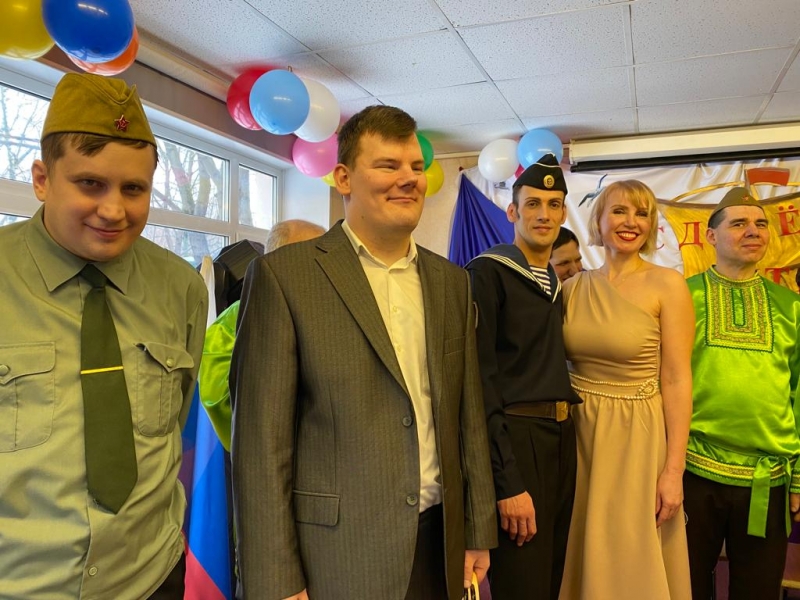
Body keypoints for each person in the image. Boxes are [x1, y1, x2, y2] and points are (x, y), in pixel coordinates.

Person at [230, 105, 497, 600]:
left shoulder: (452, 282)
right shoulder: (284, 278)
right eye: (388, 165)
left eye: (415, 166)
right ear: (343, 178)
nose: (408, 179)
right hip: (336, 555)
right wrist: (275, 581)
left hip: (438, 544)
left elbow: (468, 413)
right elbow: (261, 446)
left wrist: (477, 526)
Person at [0, 73, 207, 599]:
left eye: (133, 189)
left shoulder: (181, 288)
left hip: (150, 576)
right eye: (90, 184)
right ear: (42, 179)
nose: (114, 210)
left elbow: (174, 423)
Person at [559, 180, 694, 599]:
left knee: (630, 550)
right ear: (598, 220)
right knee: (580, 545)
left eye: (642, 214)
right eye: (619, 211)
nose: (630, 222)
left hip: (638, 436)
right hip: (578, 435)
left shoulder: (668, 285)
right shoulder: (572, 289)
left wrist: (673, 471)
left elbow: (677, 379)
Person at [467, 154, 580, 600]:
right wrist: (507, 482)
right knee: (524, 583)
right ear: (512, 212)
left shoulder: (553, 282)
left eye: (553, 205)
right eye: (532, 204)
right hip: (518, 439)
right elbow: (479, 383)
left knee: (551, 579)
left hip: (561, 438)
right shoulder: (488, 273)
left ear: (564, 214)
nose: (544, 214)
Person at [683, 187, 800, 600]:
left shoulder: (791, 306)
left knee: (758, 591)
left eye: (761, 224)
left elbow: (799, 392)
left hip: (768, 477)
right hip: (691, 470)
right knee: (686, 587)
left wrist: (799, 475)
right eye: (739, 223)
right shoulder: (683, 297)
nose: (754, 231)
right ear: (711, 237)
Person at [199, 219, 325, 450]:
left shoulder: (330, 313)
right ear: (277, 262)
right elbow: (220, 402)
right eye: (312, 257)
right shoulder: (233, 322)